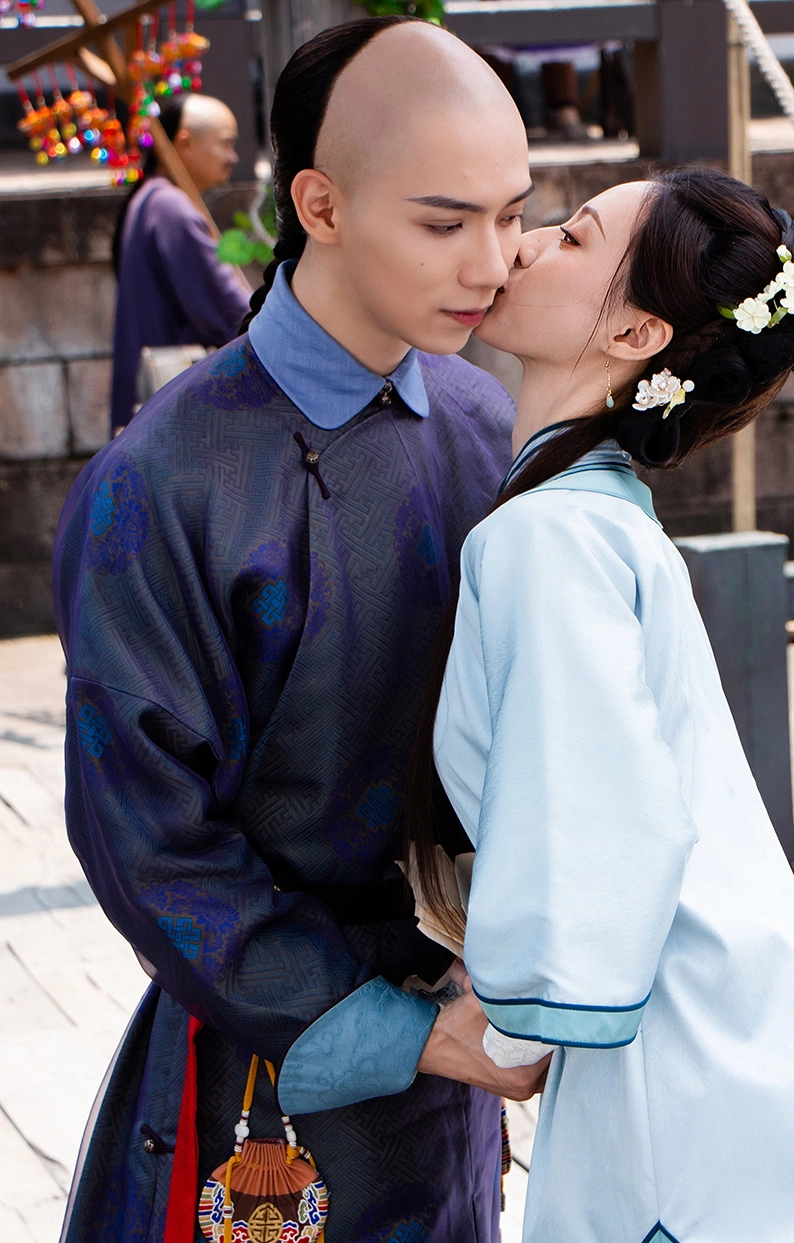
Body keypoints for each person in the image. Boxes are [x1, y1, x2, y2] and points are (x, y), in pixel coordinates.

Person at [53, 18, 541, 1243]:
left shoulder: (489, 424)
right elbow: (149, 840)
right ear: (319, 204)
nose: (492, 263)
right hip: (267, 1060)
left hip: (471, 1039)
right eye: (445, 223)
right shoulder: (161, 481)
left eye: (513, 216)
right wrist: (412, 1029)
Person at [406, 169, 794, 1243]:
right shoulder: (593, 517)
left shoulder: (549, 535)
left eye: (571, 238)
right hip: (731, 1037)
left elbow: (591, 813)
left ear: (635, 332)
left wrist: (507, 1030)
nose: (522, 244)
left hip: (681, 1066)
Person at [110, 92, 251, 433]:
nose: (233, 157)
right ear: (185, 143)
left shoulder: (153, 199)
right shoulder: (171, 208)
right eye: (226, 144)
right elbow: (229, 311)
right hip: (173, 403)